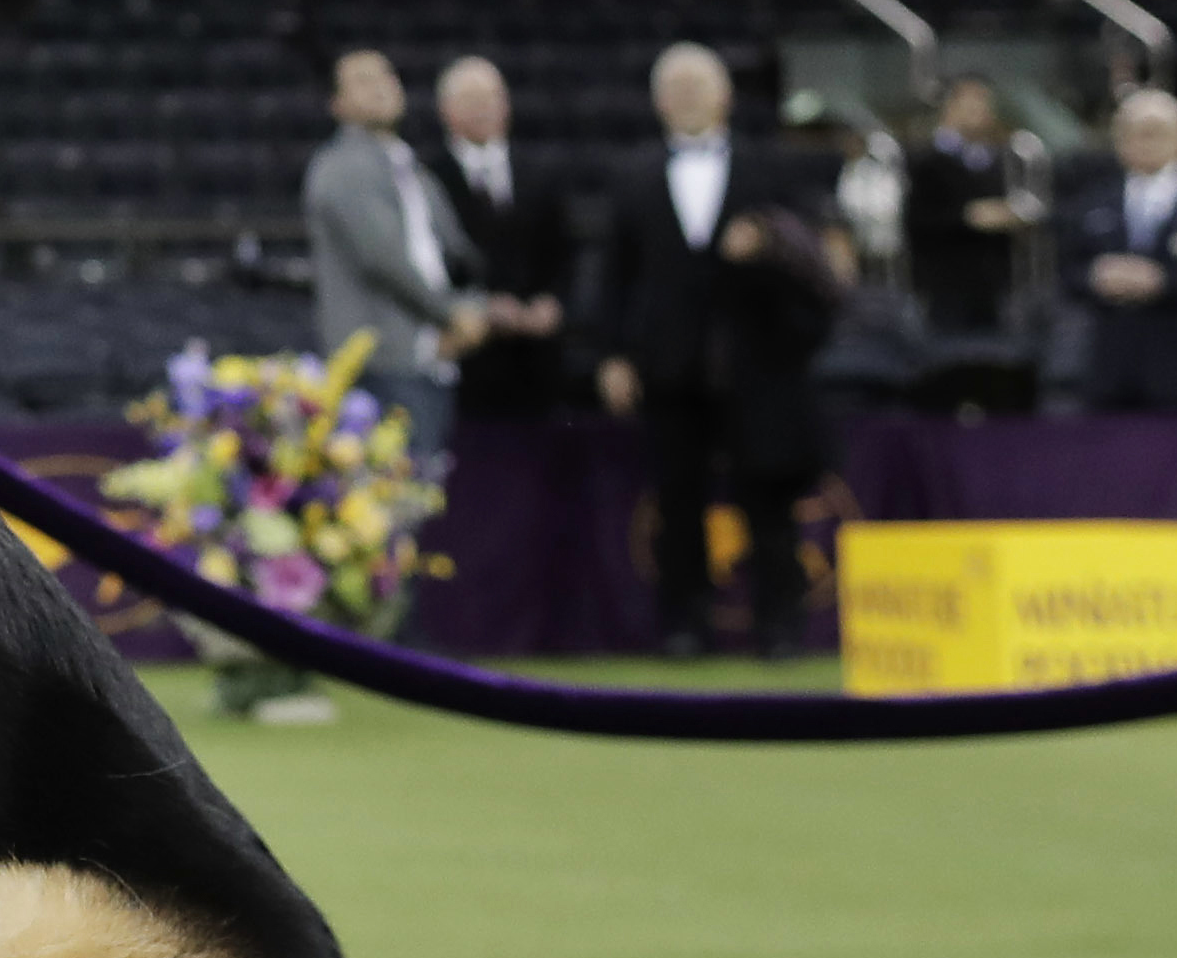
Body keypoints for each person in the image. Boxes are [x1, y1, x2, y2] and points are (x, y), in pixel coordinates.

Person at [592, 44, 845, 657]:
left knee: (769, 503)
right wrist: (613, 356)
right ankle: (684, 627)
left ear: (725, 96)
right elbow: (613, 277)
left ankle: (780, 628)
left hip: (758, 367)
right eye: (675, 89)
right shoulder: (633, 177)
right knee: (678, 503)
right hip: (671, 368)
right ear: (657, 102)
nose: (687, 99)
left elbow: (812, 269)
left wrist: (763, 250)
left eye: (697, 87)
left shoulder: (772, 171)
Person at [302, 48, 484, 457]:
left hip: (428, 360)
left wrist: (474, 311)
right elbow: (383, 260)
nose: (381, 86)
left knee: (422, 493)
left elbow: (458, 257)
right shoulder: (342, 167)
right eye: (363, 80)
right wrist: (453, 316)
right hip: (379, 363)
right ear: (338, 104)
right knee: (390, 500)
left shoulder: (409, 168)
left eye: (387, 75)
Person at [1059, 87, 1177, 414]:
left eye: (1156, 132)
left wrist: (1164, 281)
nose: (1144, 142)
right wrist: (1097, 278)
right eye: (1134, 132)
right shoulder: (1094, 202)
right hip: (1111, 370)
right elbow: (1067, 274)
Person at [420, 54, 570, 421]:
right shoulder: (426, 179)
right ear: (446, 111)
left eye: (491, 98)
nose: (483, 109)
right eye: (470, 100)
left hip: (535, 363)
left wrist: (551, 304)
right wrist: (480, 308)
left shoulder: (541, 173)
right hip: (462, 360)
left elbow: (563, 253)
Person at [901, 74, 1027, 339]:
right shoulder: (922, 160)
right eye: (972, 105)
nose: (980, 112)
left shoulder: (1001, 158)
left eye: (985, 105)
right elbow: (915, 219)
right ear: (950, 107)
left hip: (993, 286)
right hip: (943, 285)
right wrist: (967, 217)